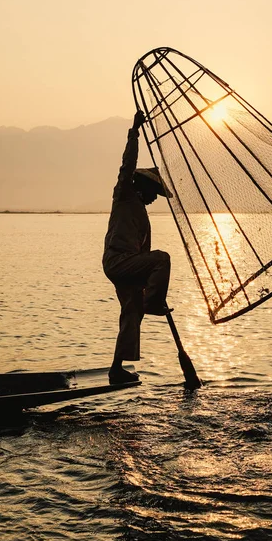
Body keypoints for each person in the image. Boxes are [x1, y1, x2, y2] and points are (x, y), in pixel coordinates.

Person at [103, 110, 172, 385]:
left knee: (132, 313)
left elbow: (144, 255)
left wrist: (149, 289)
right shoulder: (124, 194)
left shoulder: (142, 216)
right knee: (163, 258)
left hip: (130, 264)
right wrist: (135, 131)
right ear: (141, 187)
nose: (154, 199)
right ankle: (152, 303)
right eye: (153, 193)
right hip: (118, 262)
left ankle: (116, 369)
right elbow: (127, 164)